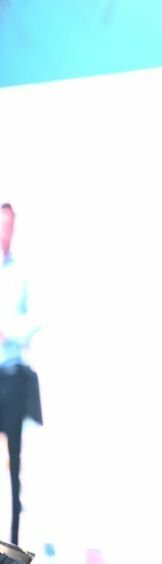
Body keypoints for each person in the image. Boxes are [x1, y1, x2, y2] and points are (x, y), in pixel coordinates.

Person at [0, 202, 42, 545]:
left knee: (14, 458)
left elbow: (36, 318)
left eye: (8, 225)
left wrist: (8, 331)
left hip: (12, 374)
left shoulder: (22, 273)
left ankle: (12, 544)